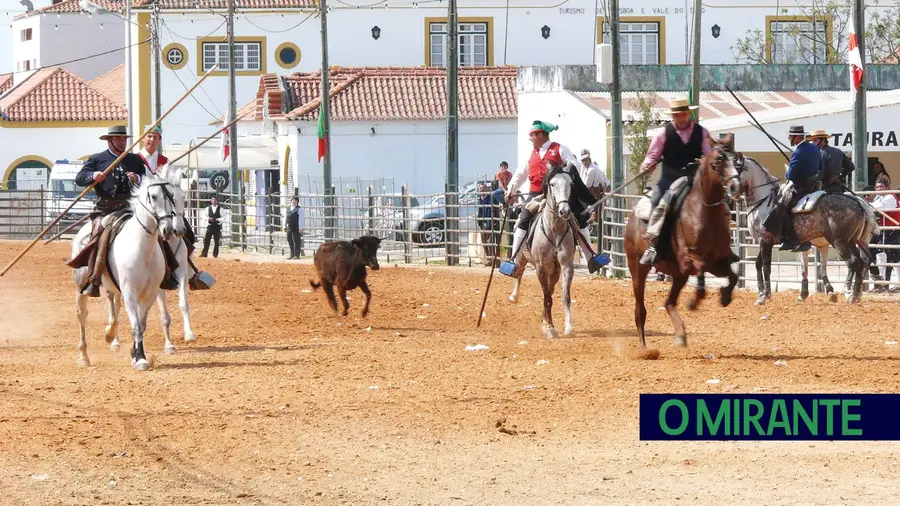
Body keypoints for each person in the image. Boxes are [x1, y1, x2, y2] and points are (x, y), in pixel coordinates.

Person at [501, 120, 607, 275]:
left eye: (532, 135)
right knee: (523, 221)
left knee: (580, 219)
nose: (531, 139)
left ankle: (590, 256)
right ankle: (514, 261)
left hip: (559, 194)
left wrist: (563, 172)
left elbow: (575, 165)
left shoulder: (559, 149)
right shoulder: (531, 155)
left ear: (541, 135)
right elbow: (520, 174)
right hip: (536, 194)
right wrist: (510, 190)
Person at [66, 125, 156, 297]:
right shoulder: (97, 159)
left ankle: (171, 272)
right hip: (106, 209)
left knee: (157, 231)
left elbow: (148, 181)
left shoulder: (135, 160)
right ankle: (94, 277)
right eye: (117, 139)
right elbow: (80, 178)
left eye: (123, 139)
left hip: (132, 208)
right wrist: (93, 176)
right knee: (99, 235)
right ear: (109, 140)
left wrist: (137, 178)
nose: (122, 142)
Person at [636, 98, 713, 265]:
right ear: (673, 116)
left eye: (684, 113)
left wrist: (705, 161)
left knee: (716, 201)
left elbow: (710, 155)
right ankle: (654, 244)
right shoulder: (663, 133)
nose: (682, 117)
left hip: (694, 180)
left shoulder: (702, 133)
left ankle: (721, 244)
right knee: (657, 202)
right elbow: (652, 155)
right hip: (669, 179)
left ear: (689, 114)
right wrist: (646, 166)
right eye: (678, 114)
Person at [764, 126, 825, 252]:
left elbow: (791, 175)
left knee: (781, 206)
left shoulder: (798, 152)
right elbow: (821, 167)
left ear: (796, 137)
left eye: (790, 136)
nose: (788, 138)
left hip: (800, 187)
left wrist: (788, 172)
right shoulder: (814, 148)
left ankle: (791, 239)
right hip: (814, 186)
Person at [870, 175, 899, 292]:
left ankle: (883, 284)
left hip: (892, 230)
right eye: (877, 187)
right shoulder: (879, 197)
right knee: (885, 255)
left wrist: (865, 204)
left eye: (882, 186)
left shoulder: (890, 197)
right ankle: (881, 283)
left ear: (887, 187)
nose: (879, 189)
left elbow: (877, 207)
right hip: (885, 230)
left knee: (888, 256)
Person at [807, 129, 854, 194]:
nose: (813, 143)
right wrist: (839, 177)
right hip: (838, 188)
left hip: (823, 190)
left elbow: (819, 175)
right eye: (813, 141)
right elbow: (851, 167)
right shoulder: (839, 151)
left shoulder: (819, 153)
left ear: (823, 140)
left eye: (815, 140)